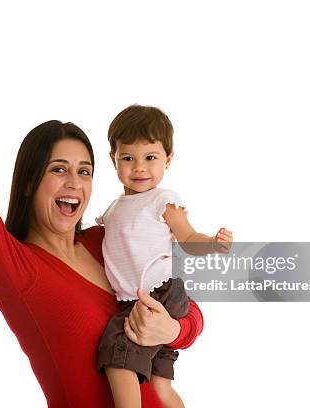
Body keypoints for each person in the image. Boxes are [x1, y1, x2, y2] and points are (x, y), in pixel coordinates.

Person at [0, 2, 204, 407]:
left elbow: (193, 309)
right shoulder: (13, 267)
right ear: (31, 180)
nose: (75, 183)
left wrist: (170, 331)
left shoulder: (109, 241)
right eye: (59, 169)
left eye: (85, 171)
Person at [95, 105, 233, 407]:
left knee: (117, 352)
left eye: (150, 158)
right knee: (160, 389)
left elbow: (187, 237)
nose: (139, 168)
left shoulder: (163, 201)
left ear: (168, 159)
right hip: (140, 297)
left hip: (160, 293)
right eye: (128, 158)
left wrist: (213, 243)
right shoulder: (113, 209)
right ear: (113, 160)